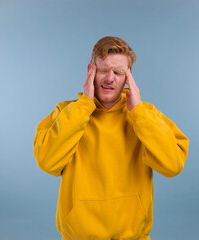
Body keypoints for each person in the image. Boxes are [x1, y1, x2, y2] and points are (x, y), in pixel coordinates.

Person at [33, 36, 189, 240]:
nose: (110, 78)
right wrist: (84, 107)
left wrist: (138, 113)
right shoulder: (66, 112)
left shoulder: (146, 115)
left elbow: (173, 165)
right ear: (91, 70)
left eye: (118, 72)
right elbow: (46, 161)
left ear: (128, 77)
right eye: (104, 70)